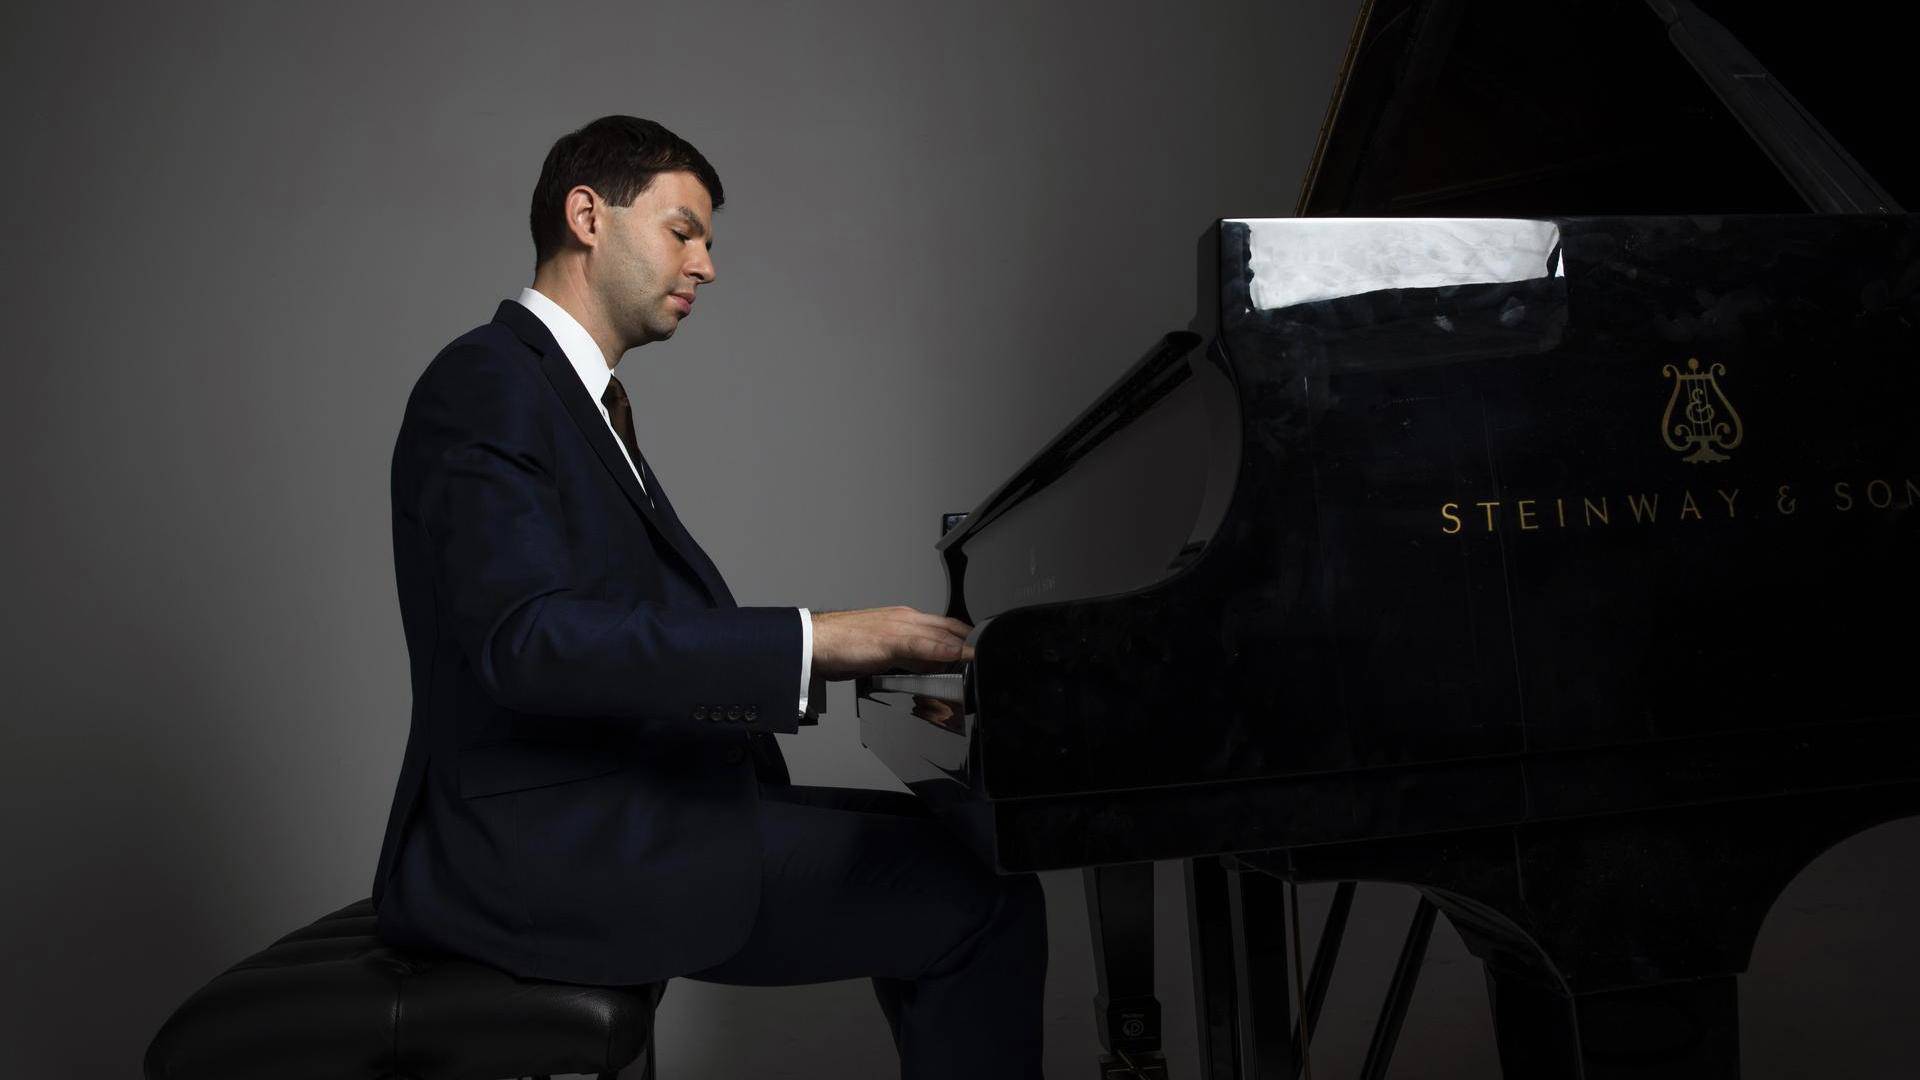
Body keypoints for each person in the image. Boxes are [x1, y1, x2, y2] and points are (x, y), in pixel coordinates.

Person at [370, 115, 1046, 1077]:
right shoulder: (486, 380)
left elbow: (618, 632)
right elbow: (529, 642)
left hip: (618, 815)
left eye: (710, 244)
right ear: (587, 215)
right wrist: (819, 640)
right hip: (538, 853)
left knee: (978, 857)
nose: (707, 266)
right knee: (981, 902)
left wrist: (843, 646)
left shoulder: (575, 399)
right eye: (684, 231)